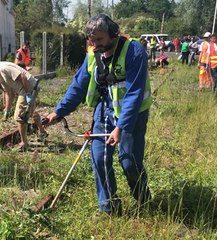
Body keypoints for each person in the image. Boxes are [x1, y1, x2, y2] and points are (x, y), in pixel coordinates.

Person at [45, 14, 152, 215]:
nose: (95, 45)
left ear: (113, 34)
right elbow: (78, 86)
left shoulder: (133, 51)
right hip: (105, 111)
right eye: (91, 40)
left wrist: (121, 127)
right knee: (99, 158)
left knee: (130, 162)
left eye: (99, 40)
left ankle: (143, 199)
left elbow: (134, 93)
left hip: (133, 114)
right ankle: (109, 207)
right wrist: (57, 113)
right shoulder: (93, 55)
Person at [0, 53, 48, 151]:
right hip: (28, 88)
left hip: (28, 88)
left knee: (19, 116)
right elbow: (8, 93)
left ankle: (24, 144)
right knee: (30, 112)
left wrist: (28, 94)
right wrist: (6, 110)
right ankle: (42, 133)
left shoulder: (3, 67)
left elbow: (23, 76)